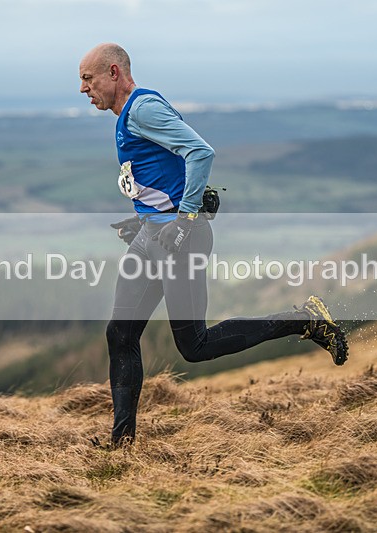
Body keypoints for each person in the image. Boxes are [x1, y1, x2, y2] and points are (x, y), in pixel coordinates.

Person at [79, 43, 348, 446]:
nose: (83, 88)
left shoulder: (141, 109)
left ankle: (304, 320)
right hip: (153, 236)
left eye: (88, 78)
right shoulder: (129, 115)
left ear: (114, 72)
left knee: (194, 345)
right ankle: (122, 444)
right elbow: (168, 168)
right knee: (120, 334)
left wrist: (185, 218)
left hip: (178, 241)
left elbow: (200, 152)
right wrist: (146, 217)